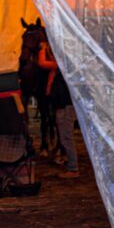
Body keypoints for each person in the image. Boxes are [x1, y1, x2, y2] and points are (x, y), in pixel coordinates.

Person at [37, 42, 80, 179]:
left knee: (66, 138)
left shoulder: (64, 67)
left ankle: (73, 168)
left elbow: (42, 63)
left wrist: (43, 49)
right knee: (65, 137)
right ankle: (71, 166)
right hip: (63, 105)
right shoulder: (66, 68)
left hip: (65, 106)